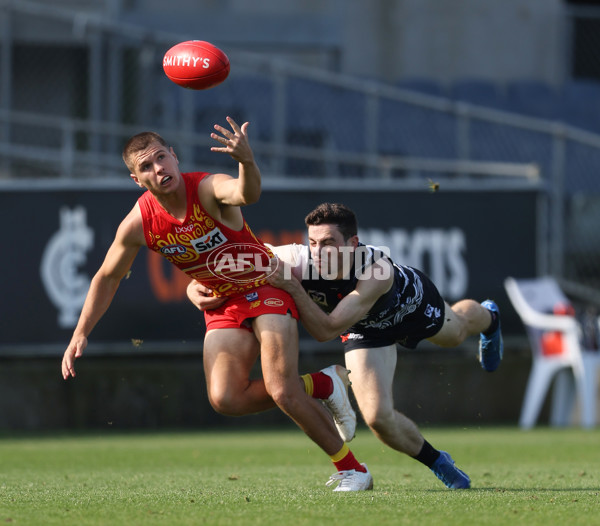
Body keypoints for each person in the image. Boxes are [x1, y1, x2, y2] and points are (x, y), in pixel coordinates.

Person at [60, 120, 372, 492]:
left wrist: (247, 161)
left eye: (162, 157)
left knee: (281, 389)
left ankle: (354, 470)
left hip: (266, 285)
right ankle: (323, 383)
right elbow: (107, 277)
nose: (158, 168)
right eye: (146, 166)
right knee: (226, 398)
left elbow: (246, 193)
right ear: (136, 179)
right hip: (222, 304)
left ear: (174, 157)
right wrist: (80, 333)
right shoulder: (139, 223)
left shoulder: (206, 188)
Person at [188, 202, 504, 490]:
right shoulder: (295, 260)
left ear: (352, 244)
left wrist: (291, 287)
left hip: (411, 309)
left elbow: (325, 330)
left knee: (458, 332)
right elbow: (229, 262)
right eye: (313, 243)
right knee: (378, 419)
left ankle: (490, 317)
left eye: (329, 243)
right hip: (364, 330)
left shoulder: (375, 270)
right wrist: (193, 287)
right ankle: (438, 462)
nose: (319, 252)